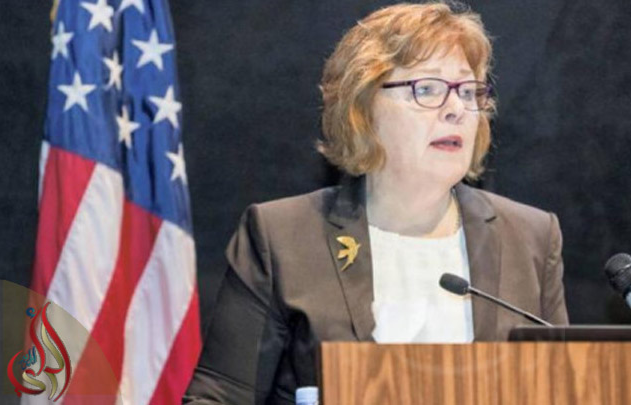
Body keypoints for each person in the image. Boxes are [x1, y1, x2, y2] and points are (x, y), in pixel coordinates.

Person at [184, 2, 568, 404]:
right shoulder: (282, 238)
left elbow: (567, 390)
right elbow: (216, 398)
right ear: (363, 109)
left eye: (468, 91)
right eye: (428, 89)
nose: (457, 109)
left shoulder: (530, 239)